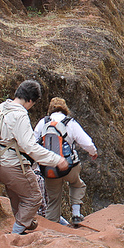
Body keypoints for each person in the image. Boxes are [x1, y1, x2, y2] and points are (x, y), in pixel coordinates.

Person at [0, 80, 70, 234]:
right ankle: (16, 232)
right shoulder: (20, 115)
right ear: (30, 100)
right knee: (33, 196)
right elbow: (30, 147)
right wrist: (56, 159)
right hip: (11, 163)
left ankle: (24, 223)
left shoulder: (2, 107)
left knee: (16, 194)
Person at [33, 97, 98, 226]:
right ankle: (76, 214)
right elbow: (87, 143)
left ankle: (52, 227)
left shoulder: (43, 122)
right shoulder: (70, 123)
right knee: (77, 184)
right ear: (65, 109)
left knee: (53, 199)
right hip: (69, 167)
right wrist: (93, 152)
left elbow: (33, 142)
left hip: (49, 168)